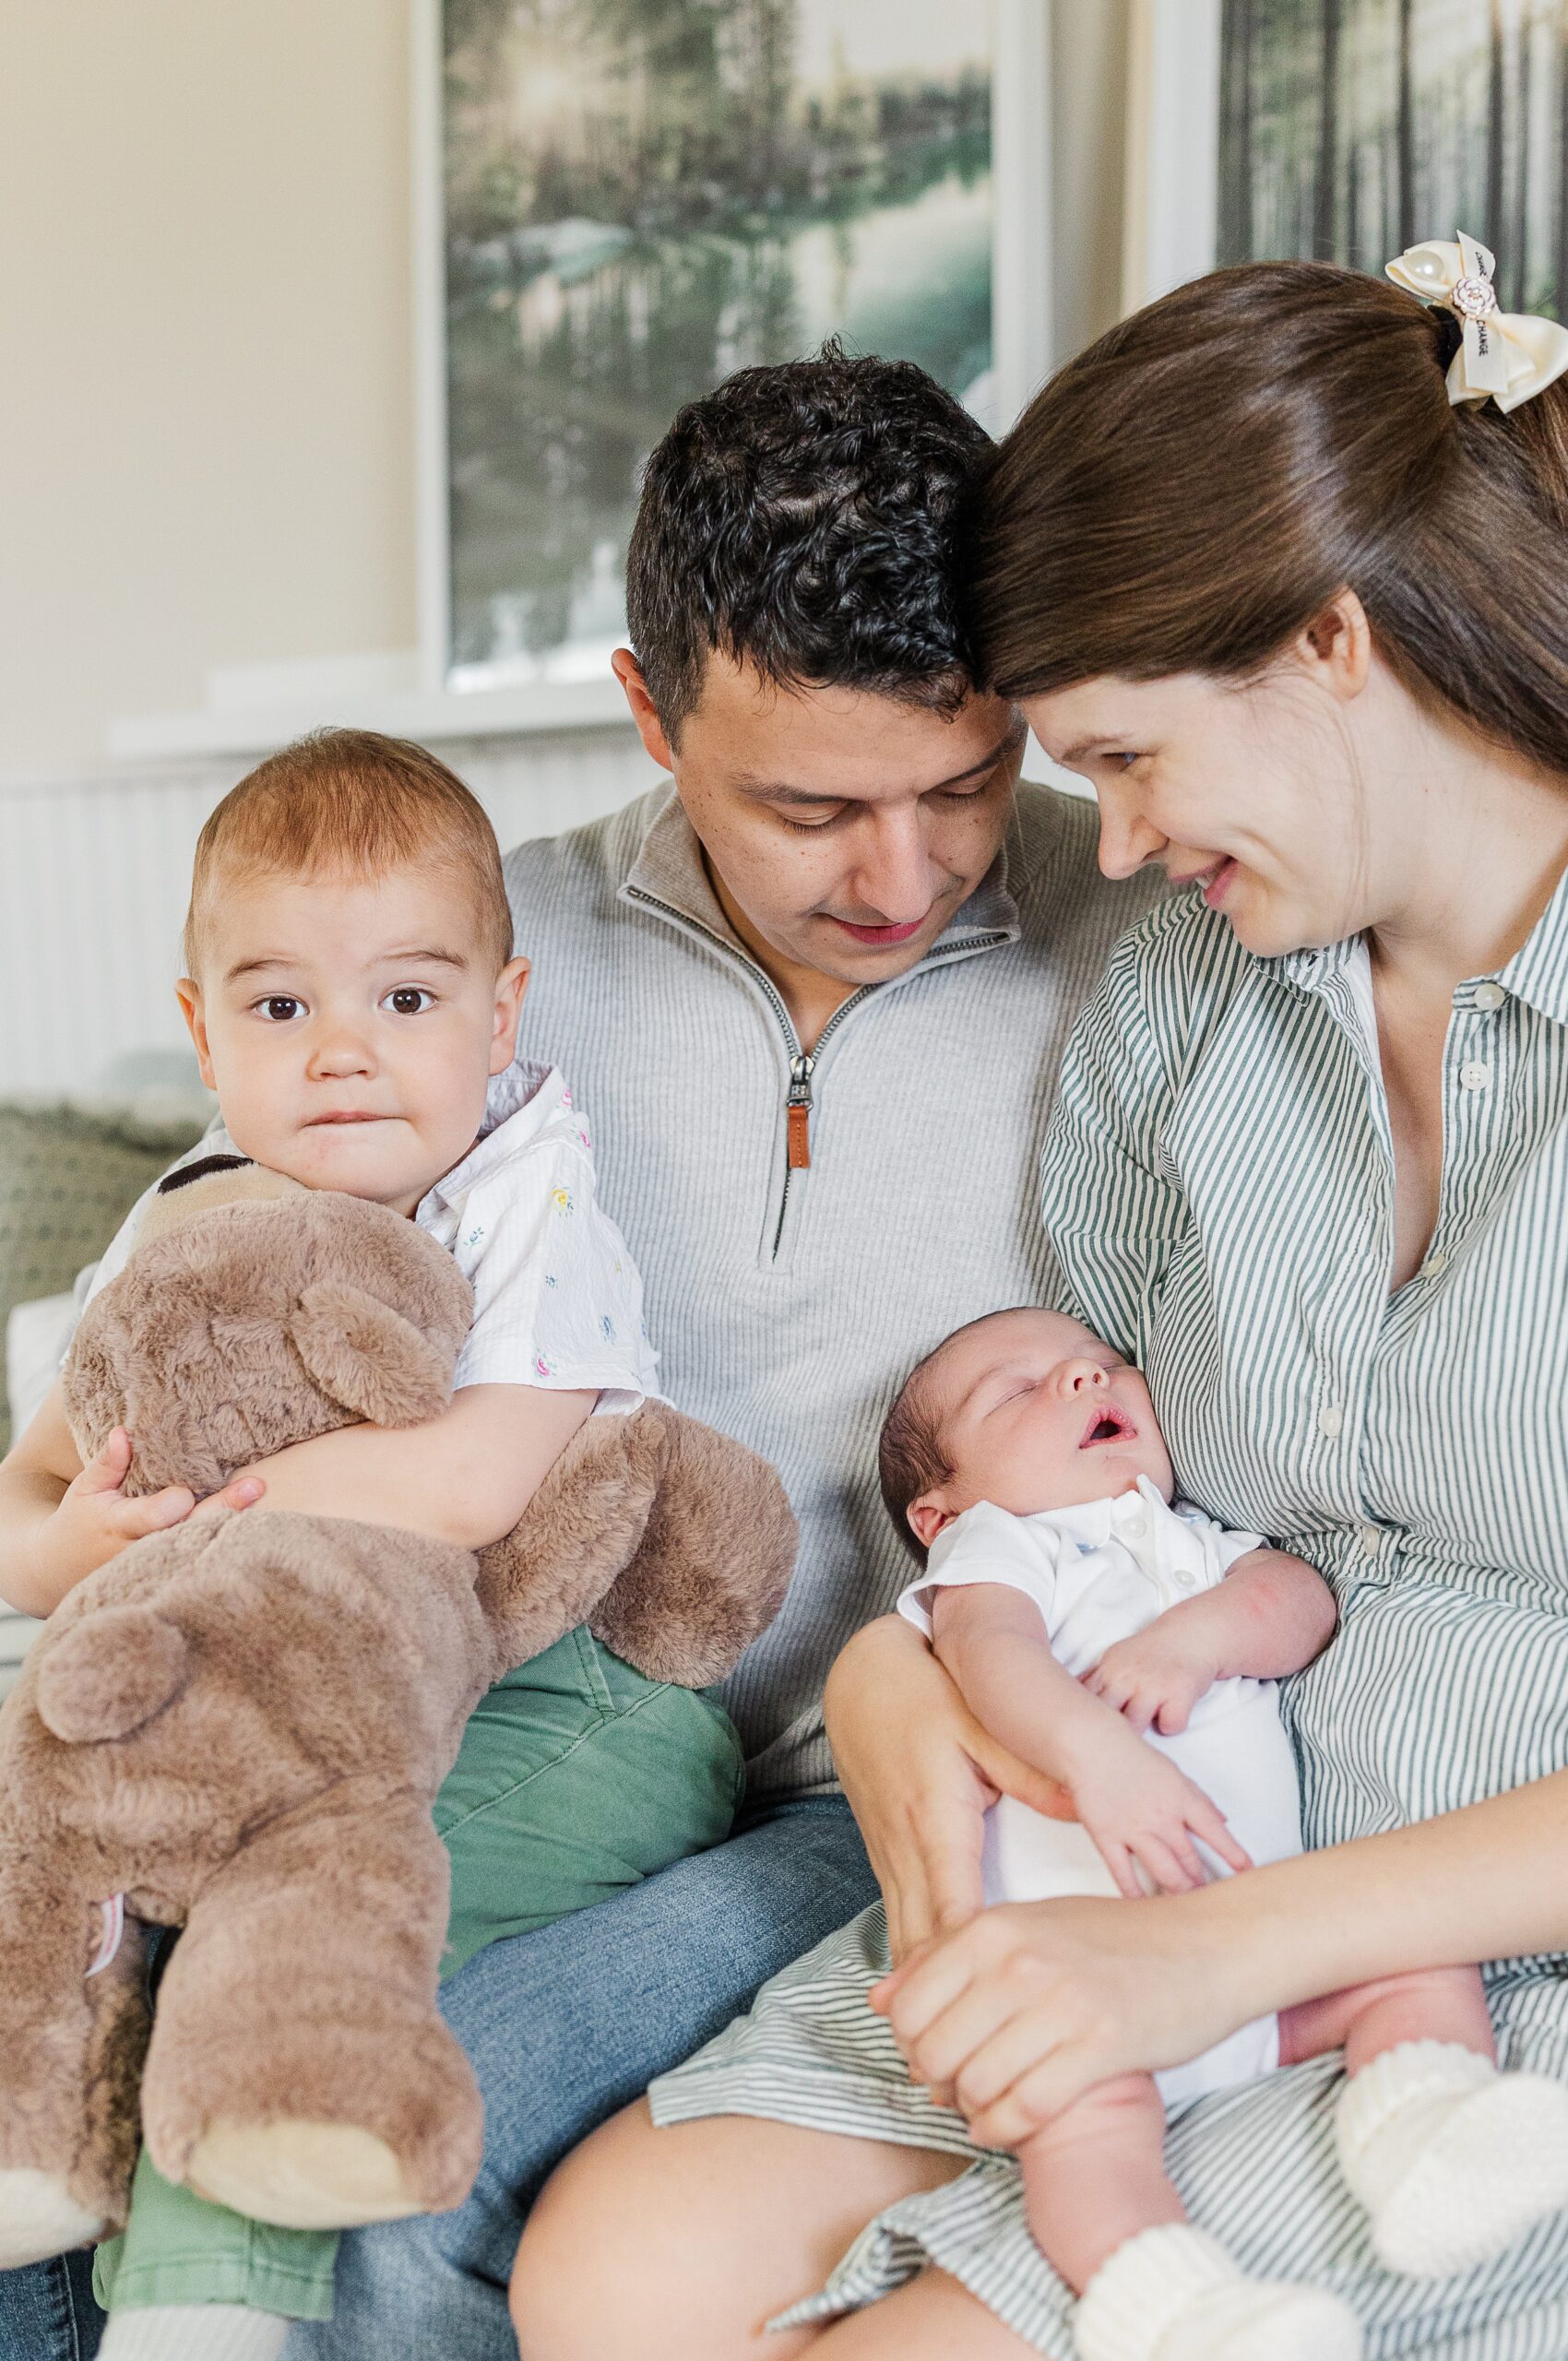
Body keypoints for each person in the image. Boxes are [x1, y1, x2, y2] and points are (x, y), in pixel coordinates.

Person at [0, 347, 1160, 2359]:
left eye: (963, 781)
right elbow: (178, 1311)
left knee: (385, 2133)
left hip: (873, 1776)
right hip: (445, 1701)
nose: (898, 874)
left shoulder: (1137, 934)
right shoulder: (455, 957)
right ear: (645, 708)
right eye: (809, 805)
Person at [510, 251, 1568, 2358]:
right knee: (605, 2280)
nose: (1111, 838)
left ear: (1332, 643)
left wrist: (1214, 1954)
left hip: (1455, 1943)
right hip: (1124, 1829)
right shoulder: (1191, 975)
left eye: (1116, 759)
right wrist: (917, 1684)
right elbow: (1048, 1444)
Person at [0, 730, 745, 2361]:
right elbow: (26, 1498)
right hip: (273, 1699)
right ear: (203, 1036)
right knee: (63, 1881)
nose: (344, 1052)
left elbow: (473, 1484)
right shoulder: (188, 1218)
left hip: (572, 1700)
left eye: (405, 1000)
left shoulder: (528, 1184)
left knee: (277, 1944)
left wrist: (179, 1538)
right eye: (281, 1008)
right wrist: (77, 1554)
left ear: (500, 1009)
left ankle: (203, 2323)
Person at [871, 1304, 1568, 2361]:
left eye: (1102, 1366)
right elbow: (990, 1655)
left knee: (1416, 1967)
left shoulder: (1193, 1537)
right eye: (1016, 1391)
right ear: (937, 1512)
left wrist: (1195, 1638)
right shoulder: (1000, 1542)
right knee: (1083, 2128)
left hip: (1265, 1961)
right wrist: (1094, 1754)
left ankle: (1425, 2124)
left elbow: (1301, 1603)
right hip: (1080, 1982)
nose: (1080, 1381)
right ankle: (1170, 2307)